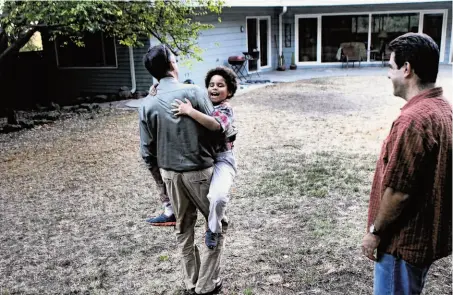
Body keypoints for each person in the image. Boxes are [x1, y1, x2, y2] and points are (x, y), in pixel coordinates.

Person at [361, 33, 452, 295]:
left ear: (407, 69)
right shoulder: (443, 109)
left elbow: (399, 191)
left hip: (402, 245)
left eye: (390, 67)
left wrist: (375, 232)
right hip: (423, 241)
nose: (389, 74)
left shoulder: (413, 121)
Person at [140, 44, 223, 295]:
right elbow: (217, 128)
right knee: (216, 225)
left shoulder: (147, 103)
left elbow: (147, 153)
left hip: (169, 174)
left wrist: (162, 185)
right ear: (172, 64)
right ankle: (206, 285)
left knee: (183, 229)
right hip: (200, 172)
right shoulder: (195, 92)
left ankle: (192, 282)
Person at [171, 66, 238, 250]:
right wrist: (157, 88)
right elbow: (181, 90)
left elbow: (215, 125)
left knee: (218, 197)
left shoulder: (225, 109)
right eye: (211, 85)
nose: (214, 88)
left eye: (220, 85)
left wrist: (189, 111)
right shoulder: (203, 103)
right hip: (202, 158)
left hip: (222, 159)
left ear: (229, 91)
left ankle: (213, 229)